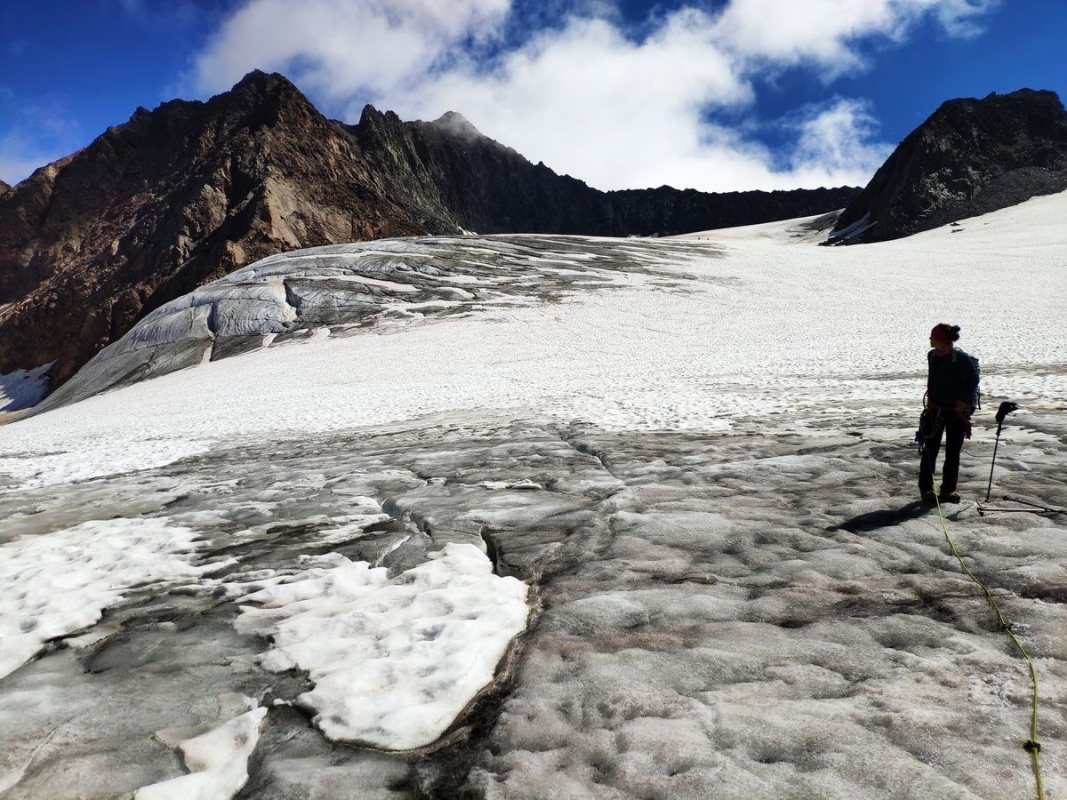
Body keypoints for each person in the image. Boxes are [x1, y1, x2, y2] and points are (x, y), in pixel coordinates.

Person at [918, 323, 979, 504]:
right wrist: (930, 401)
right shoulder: (933, 356)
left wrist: (962, 401)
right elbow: (932, 379)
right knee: (930, 450)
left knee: (953, 451)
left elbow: (973, 379)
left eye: (933, 336)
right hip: (936, 410)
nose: (930, 339)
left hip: (956, 413)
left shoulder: (960, 357)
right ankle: (926, 488)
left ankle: (948, 490)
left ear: (942, 340)